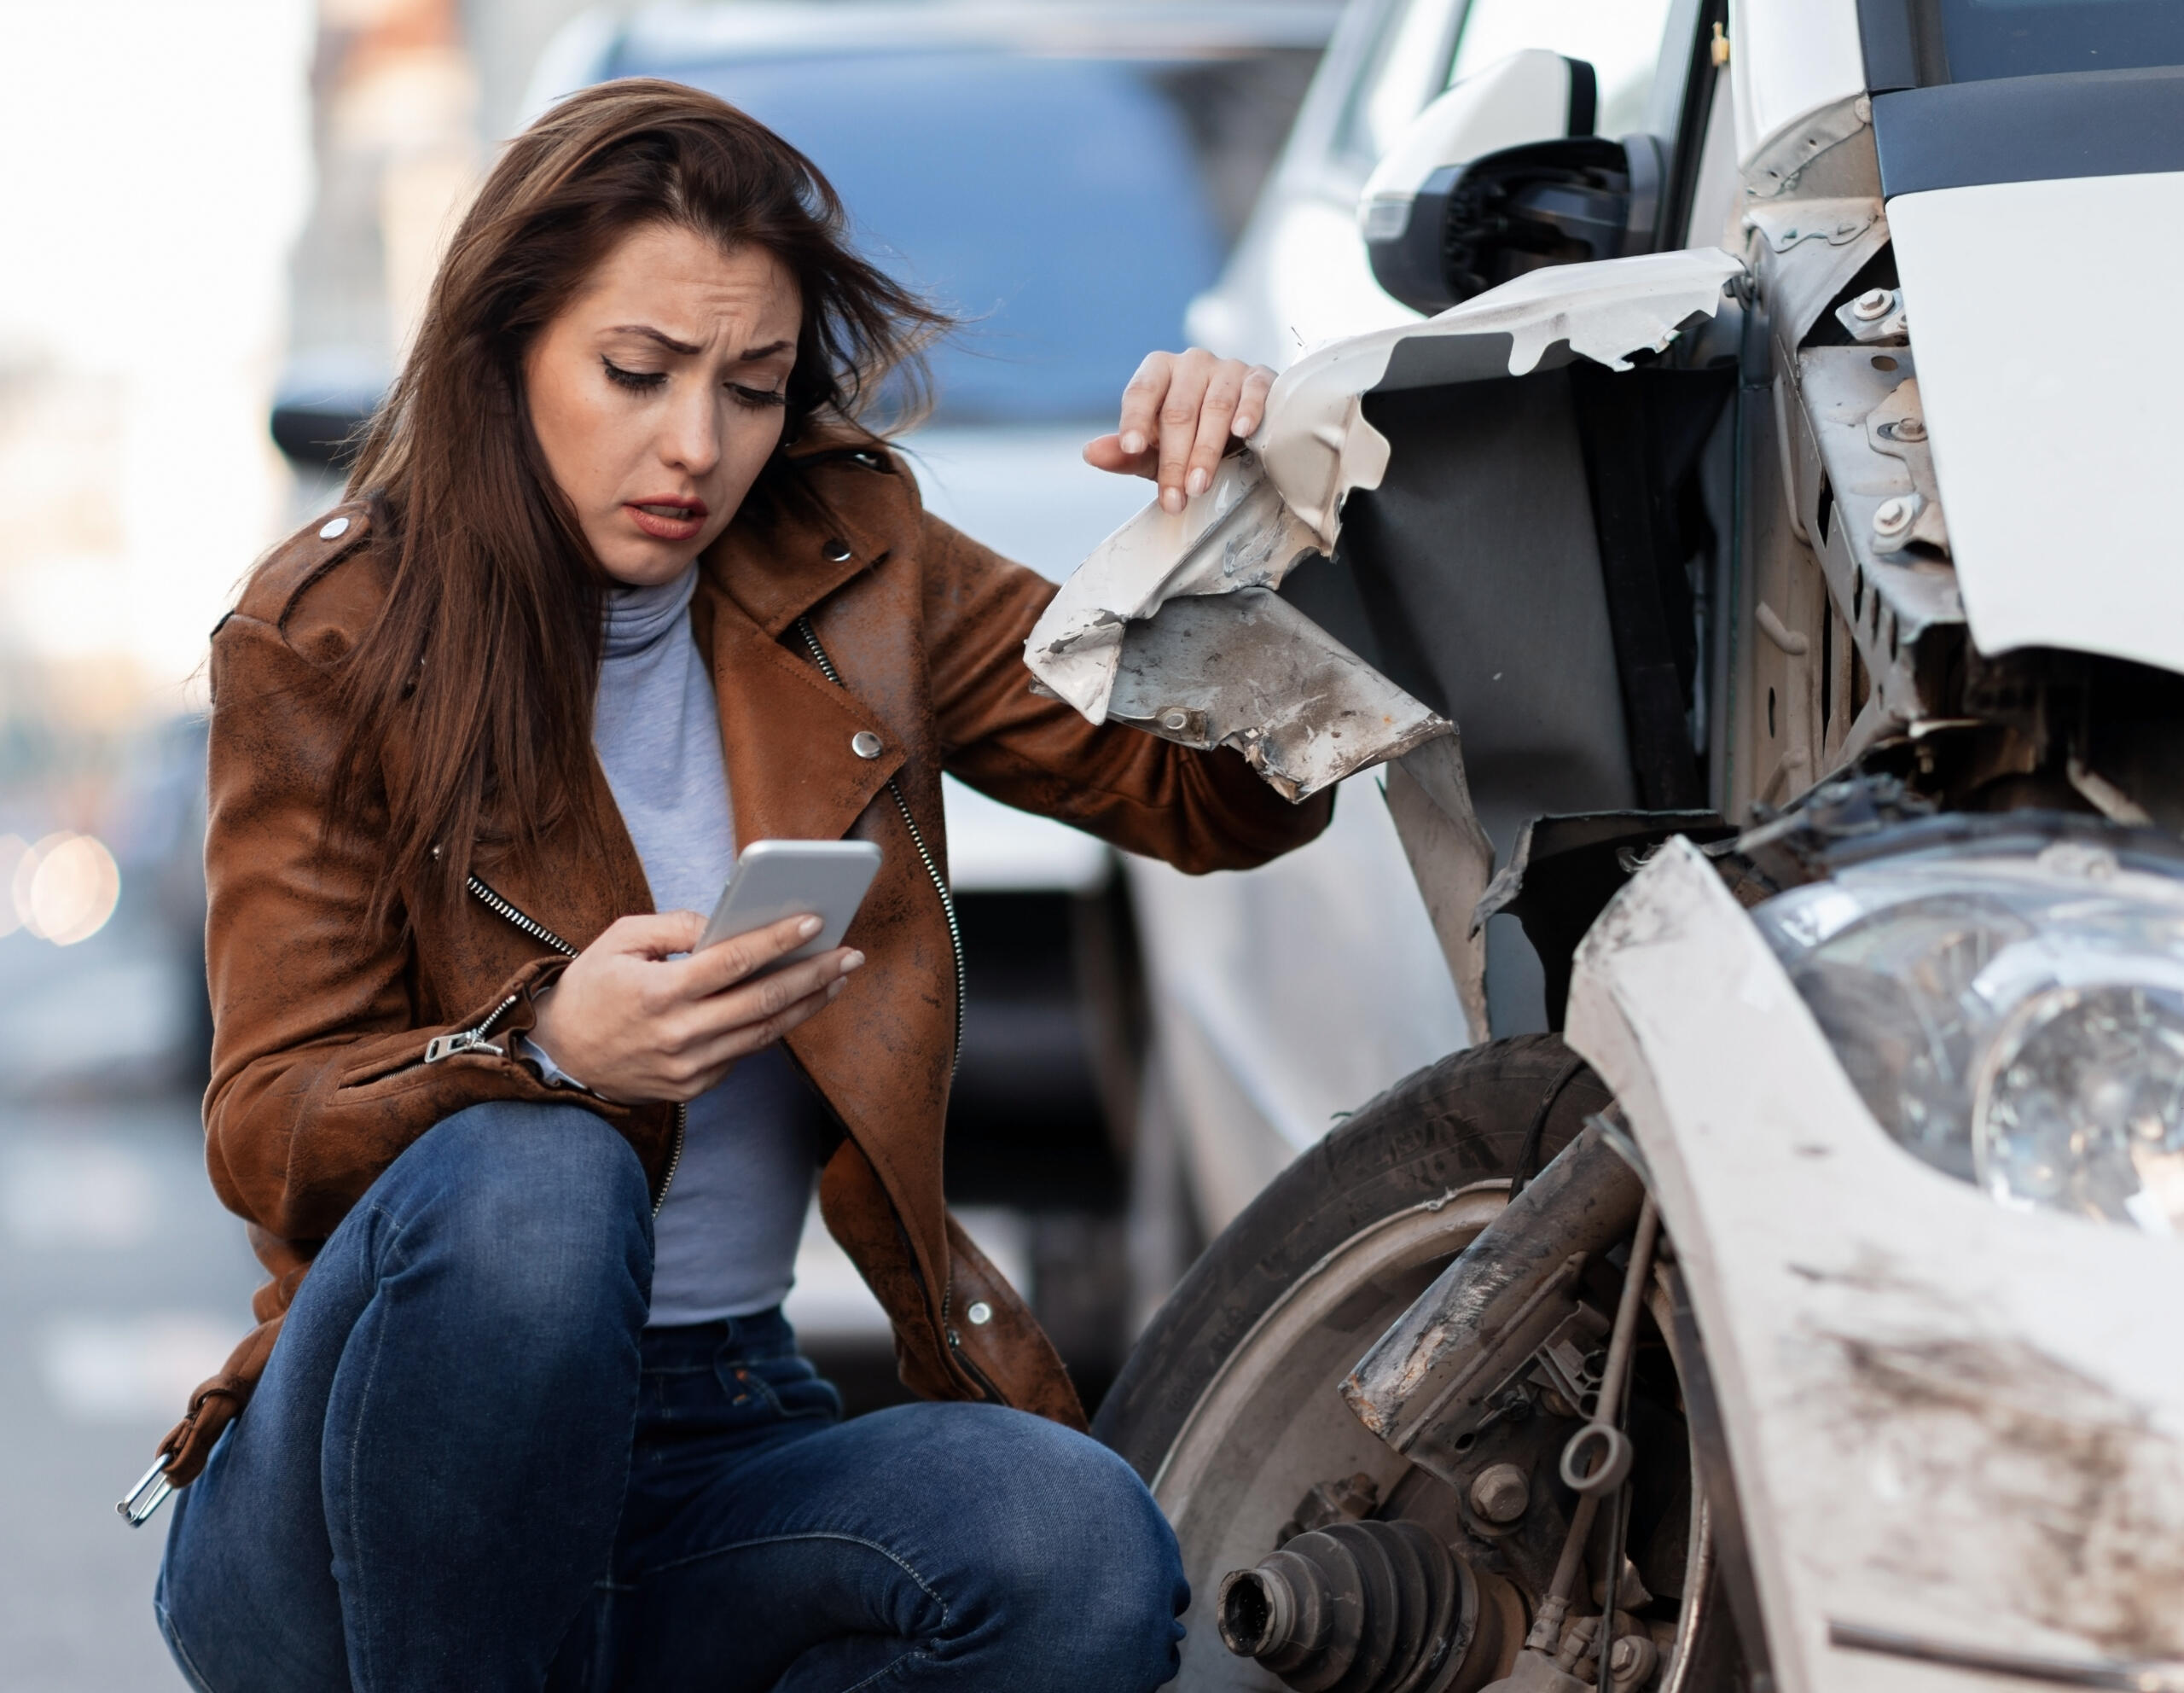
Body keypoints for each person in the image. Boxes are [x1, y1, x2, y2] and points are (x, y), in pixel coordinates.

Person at [148, 80, 1330, 1693]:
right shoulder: (330, 632)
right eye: (636, 374)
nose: (697, 447)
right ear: (504, 355)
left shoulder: (852, 562)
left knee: (1071, 1545)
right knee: (541, 1182)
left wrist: (1240, 526)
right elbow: (265, 1123)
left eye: (754, 388)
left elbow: (1213, 801)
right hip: (362, 1490)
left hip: (718, 1433)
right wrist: (549, 1048)